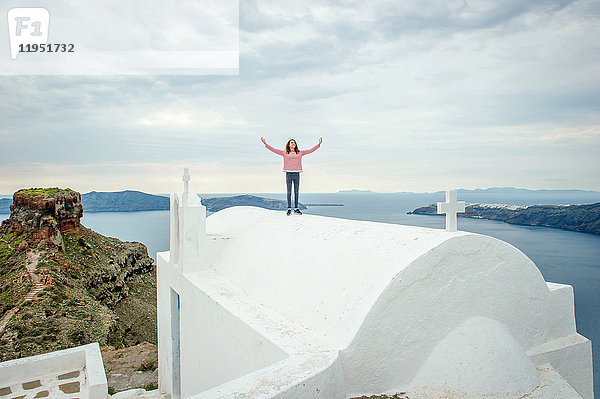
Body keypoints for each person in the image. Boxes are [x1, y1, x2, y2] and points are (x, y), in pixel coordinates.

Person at [261, 137, 322, 215]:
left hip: (297, 174)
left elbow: (310, 151)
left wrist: (318, 145)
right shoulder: (285, 153)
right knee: (289, 192)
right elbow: (275, 150)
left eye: (294, 142)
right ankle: (289, 208)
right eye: (291, 142)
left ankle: (296, 208)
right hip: (288, 174)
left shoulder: (300, 153)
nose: (293, 143)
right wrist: (266, 144)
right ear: (289, 145)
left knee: (296, 192)